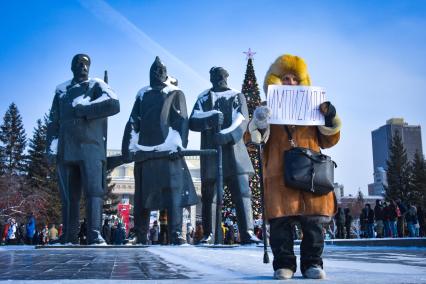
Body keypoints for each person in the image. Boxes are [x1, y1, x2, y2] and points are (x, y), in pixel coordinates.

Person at [249, 54, 341, 279]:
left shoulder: (314, 106)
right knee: (280, 224)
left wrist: (330, 118)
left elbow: (329, 140)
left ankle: (312, 264)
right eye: (285, 78)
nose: (290, 83)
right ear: (275, 80)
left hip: (311, 173)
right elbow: (253, 143)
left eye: (295, 79)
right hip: (279, 173)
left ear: (303, 82)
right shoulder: (265, 108)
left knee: (314, 224)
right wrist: (258, 122)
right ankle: (284, 264)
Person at [121, 57, 198, 245]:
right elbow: (133, 121)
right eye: (153, 71)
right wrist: (128, 147)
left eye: (160, 71)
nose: (156, 74)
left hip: (167, 150)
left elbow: (181, 122)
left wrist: (178, 145)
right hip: (145, 152)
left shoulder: (175, 93)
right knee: (141, 197)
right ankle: (139, 234)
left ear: (165, 74)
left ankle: (175, 233)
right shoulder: (142, 94)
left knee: (173, 194)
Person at [46, 54, 120, 245]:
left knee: (94, 192)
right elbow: (53, 121)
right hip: (66, 148)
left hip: (91, 148)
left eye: (86, 64)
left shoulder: (97, 85)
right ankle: (69, 236)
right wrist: (51, 148)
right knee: (69, 196)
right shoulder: (61, 90)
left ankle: (94, 234)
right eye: (79, 63)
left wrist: (86, 109)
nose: (83, 67)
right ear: (72, 67)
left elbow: (113, 104)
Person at [189, 66, 260, 245]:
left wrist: (227, 135)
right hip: (211, 155)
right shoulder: (203, 98)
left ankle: (247, 232)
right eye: (216, 76)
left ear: (226, 77)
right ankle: (209, 233)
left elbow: (242, 120)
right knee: (209, 196)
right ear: (211, 78)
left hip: (234, 154)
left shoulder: (236, 96)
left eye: (222, 76)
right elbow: (193, 120)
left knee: (242, 193)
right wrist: (209, 119)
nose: (219, 79)